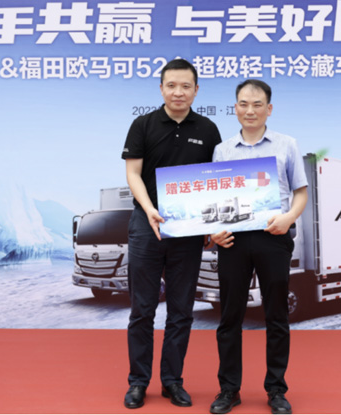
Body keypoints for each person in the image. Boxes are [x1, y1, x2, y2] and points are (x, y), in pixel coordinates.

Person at [121, 58, 221, 409]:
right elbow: (133, 174)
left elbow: (214, 181)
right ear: (161, 88)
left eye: (186, 86)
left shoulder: (208, 129)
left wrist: (210, 223)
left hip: (189, 232)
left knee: (181, 311)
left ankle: (172, 381)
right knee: (142, 310)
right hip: (146, 226)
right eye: (172, 85)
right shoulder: (143, 125)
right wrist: (149, 208)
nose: (179, 92)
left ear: (196, 90)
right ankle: (138, 382)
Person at [209, 80, 308, 415]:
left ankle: (276, 389)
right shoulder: (223, 151)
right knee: (230, 316)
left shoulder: (286, 145)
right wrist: (214, 231)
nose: (249, 110)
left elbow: (300, 192)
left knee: (276, 314)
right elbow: (214, 200)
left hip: (273, 236)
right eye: (243, 104)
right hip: (233, 240)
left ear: (269, 108)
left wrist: (289, 218)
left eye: (257, 104)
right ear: (235, 107)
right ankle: (229, 389)